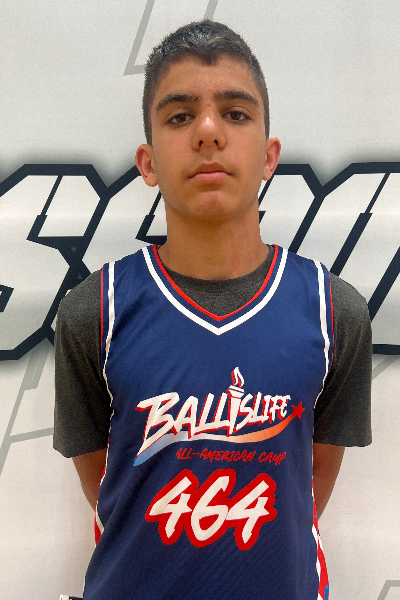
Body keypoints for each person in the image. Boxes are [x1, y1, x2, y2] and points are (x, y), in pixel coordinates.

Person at [54, 19, 372, 600]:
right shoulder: (93, 312)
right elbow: (108, 487)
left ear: (270, 156)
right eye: (180, 116)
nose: (207, 131)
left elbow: (308, 485)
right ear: (148, 163)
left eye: (235, 113)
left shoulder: (335, 312)